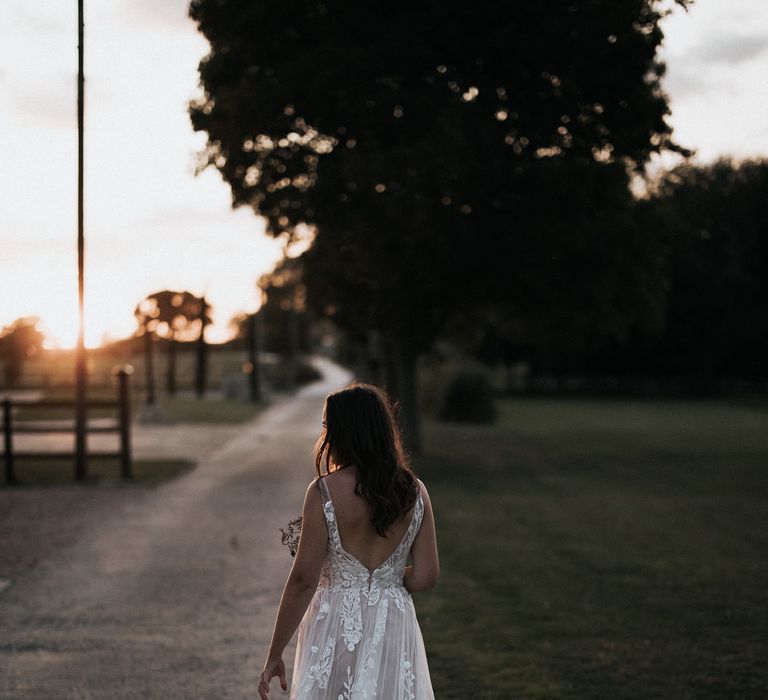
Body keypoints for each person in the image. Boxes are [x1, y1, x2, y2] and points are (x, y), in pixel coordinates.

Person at [259, 381, 439, 699]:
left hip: (337, 623)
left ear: (343, 432)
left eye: (328, 426)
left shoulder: (324, 491)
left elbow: (303, 579)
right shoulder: (415, 490)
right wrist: (386, 580)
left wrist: (275, 653)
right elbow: (426, 575)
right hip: (393, 619)